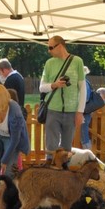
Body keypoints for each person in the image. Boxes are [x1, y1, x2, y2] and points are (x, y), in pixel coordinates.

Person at [39, 35, 86, 163]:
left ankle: (64, 176)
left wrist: (80, 112)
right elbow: (41, 87)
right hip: (53, 110)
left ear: (60, 46)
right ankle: (49, 173)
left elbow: (82, 88)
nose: (48, 51)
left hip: (71, 111)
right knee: (51, 147)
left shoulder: (77, 61)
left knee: (66, 148)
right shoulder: (49, 63)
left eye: (50, 47)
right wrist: (54, 85)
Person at [81, 66, 92, 149]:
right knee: (84, 133)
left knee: (84, 134)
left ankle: (88, 153)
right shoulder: (87, 82)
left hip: (83, 112)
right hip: (86, 112)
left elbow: (86, 98)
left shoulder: (83, 83)